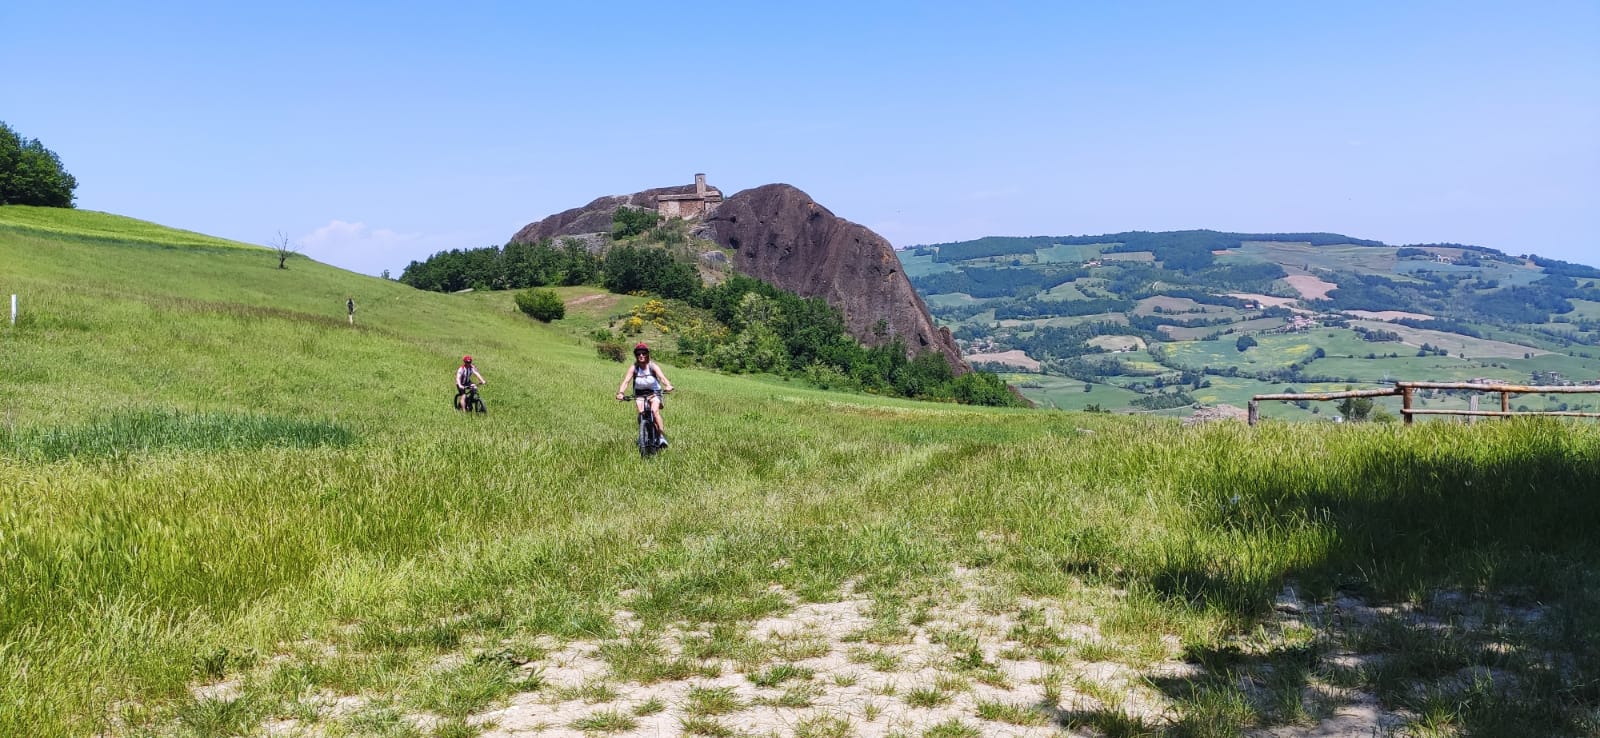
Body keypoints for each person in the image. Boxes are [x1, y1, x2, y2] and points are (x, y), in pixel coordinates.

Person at [616, 342, 674, 447]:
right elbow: (626, 381)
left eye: (643, 353)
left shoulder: (652, 366)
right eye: (638, 354)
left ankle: (661, 438)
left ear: (647, 354)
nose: (641, 355)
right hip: (640, 394)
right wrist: (620, 393)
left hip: (654, 392)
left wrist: (668, 385)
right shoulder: (634, 368)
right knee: (641, 414)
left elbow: (662, 378)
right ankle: (643, 435)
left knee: (654, 411)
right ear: (636, 355)